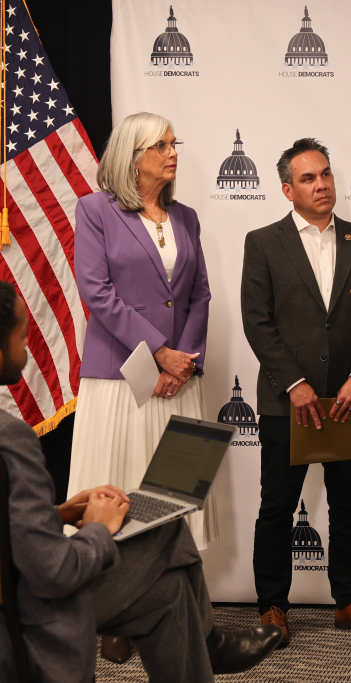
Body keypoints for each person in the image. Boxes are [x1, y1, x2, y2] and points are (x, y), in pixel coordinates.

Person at [0, 281, 283, 682]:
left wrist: (58, 512)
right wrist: (99, 527)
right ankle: (210, 643)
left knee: (166, 587)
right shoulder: (11, 439)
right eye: (21, 338)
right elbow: (55, 573)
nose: (28, 351)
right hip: (28, 612)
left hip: (17, 589)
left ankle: (209, 642)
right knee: (165, 541)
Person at [69, 112, 214, 663]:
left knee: (173, 499)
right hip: (120, 377)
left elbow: (200, 294)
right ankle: (115, 613)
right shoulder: (95, 210)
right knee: (122, 489)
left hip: (179, 380)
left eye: (175, 143)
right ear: (133, 155)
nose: (173, 152)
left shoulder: (188, 216)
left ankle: (176, 608)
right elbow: (96, 292)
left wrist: (185, 362)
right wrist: (158, 351)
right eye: (161, 145)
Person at [241, 138, 351, 646]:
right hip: (288, 403)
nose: (321, 184)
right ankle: (273, 607)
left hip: (347, 399)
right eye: (308, 178)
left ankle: (348, 599)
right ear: (287, 189)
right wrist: (296, 384)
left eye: (325, 174)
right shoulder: (263, 242)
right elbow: (257, 322)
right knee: (278, 507)